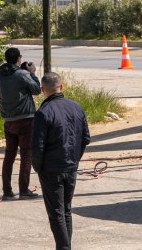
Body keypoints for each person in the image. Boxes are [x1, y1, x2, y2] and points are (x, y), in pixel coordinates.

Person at [31, 72, 90, 250]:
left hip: (51, 169)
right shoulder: (76, 107)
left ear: (42, 90)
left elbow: (37, 147)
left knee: (57, 213)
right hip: (70, 166)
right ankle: (65, 246)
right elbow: (85, 139)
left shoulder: (43, 113)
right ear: (61, 87)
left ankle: (64, 247)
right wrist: (75, 159)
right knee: (66, 210)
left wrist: (39, 168)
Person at [0, 47, 41, 201]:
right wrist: (32, 73)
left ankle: (7, 191)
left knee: (9, 155)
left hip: (8, 120)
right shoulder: (23, 74)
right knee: (26, 154)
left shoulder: (0, 76)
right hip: (26, 119)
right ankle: (24, 190)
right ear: (18, 58)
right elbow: (36, 90)